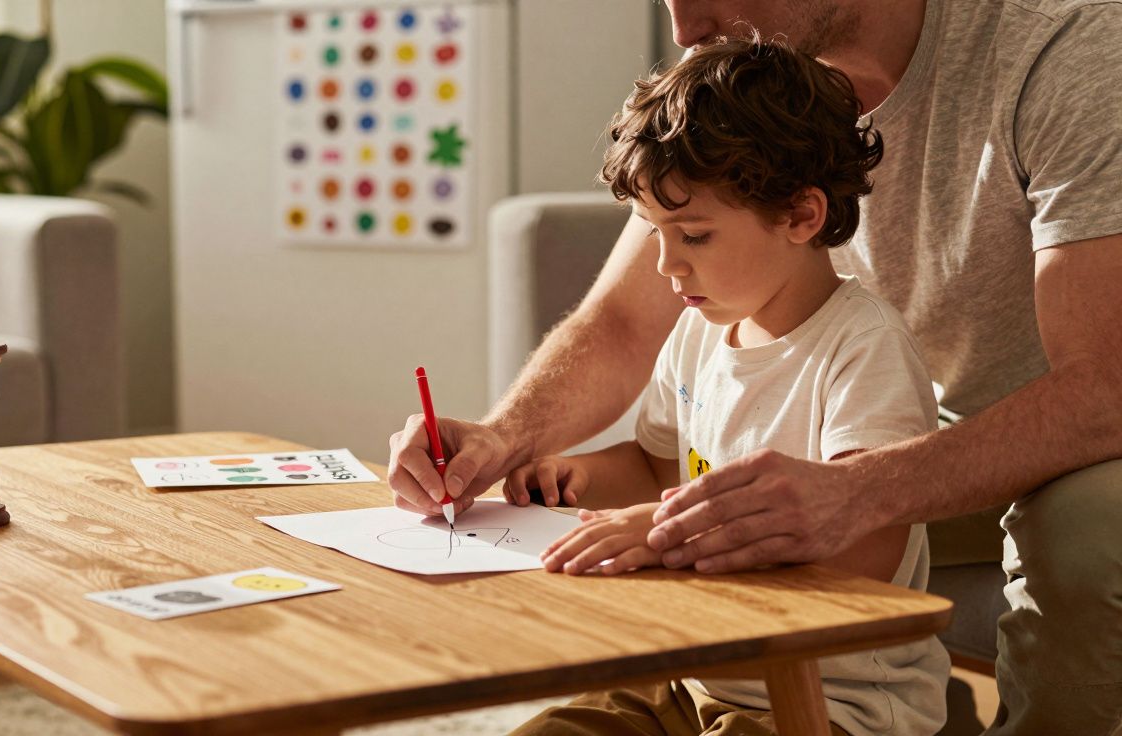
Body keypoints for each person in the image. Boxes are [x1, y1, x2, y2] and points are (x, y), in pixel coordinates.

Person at [388, 1, 1122, 732]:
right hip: (708, 671)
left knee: (1087, 535)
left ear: (803, 215)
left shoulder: (1062, 40)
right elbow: (626, 347)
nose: (683, 29)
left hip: (1071, 434)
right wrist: (505, 442)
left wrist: (698, 529)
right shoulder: (744, 79)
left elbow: (1105, 388)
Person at [503, 36, 946, 735]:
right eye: (655, 235)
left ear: (801, 216)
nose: (665, 266)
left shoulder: (862, 348)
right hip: (693, 684)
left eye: (694, 237)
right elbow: (658, 465)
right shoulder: (701, 330)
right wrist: (571, 475)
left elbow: (866, 539)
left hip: (832, 706)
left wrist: (670, 534)